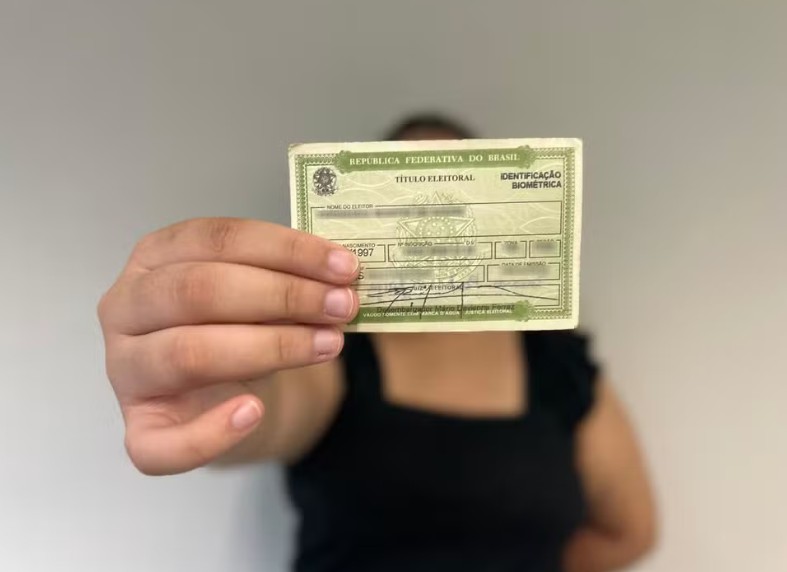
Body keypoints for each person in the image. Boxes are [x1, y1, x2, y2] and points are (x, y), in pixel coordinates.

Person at [98, 114, 656, 572]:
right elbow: (269, 410)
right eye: (410, 197)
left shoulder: (559, 366)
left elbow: (629, 532)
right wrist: (204, 388)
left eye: (459, 193)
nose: (435, 221)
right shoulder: (330, 350)